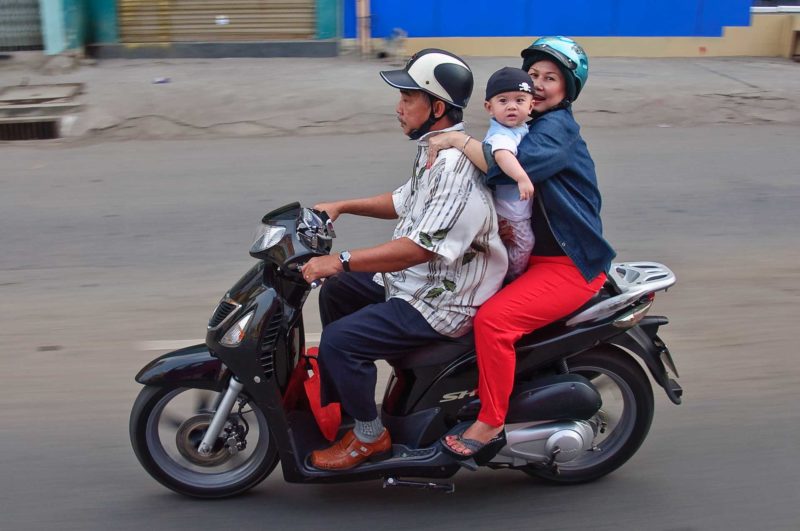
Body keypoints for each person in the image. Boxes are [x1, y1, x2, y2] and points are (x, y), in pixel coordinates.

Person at [300, 48, 508, 470]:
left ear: (435, 107)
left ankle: (369, 438)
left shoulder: (452, 167)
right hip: (419, 282)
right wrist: (342, 205)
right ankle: (353, 411)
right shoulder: (435, 149)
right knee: (337, 295)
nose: (398, 107)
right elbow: (403, 200)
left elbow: (419, 248)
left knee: (340, 341)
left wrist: (341, 259)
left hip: (442, 301)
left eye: (407, 98)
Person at [426, 36, 616, 458]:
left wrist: (457, 141)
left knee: (493, 322)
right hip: (531, 260)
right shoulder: (522, 124)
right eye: (534, 76)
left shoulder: (556, 128)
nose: (540, 84)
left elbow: (510, 168)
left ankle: (490, 420)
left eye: (551, 78)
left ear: (568, 89)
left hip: (568, 265)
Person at [481, 66, 537, 282]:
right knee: (524, 243)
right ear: (489, 107)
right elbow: (503, 155)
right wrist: (522, 178)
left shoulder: (518, 128)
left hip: (512, 205)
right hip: (511, 210)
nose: (512, 106)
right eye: (503, 101)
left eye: (519, 100)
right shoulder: (501, 134)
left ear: (531, 105)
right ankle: (511, 278)